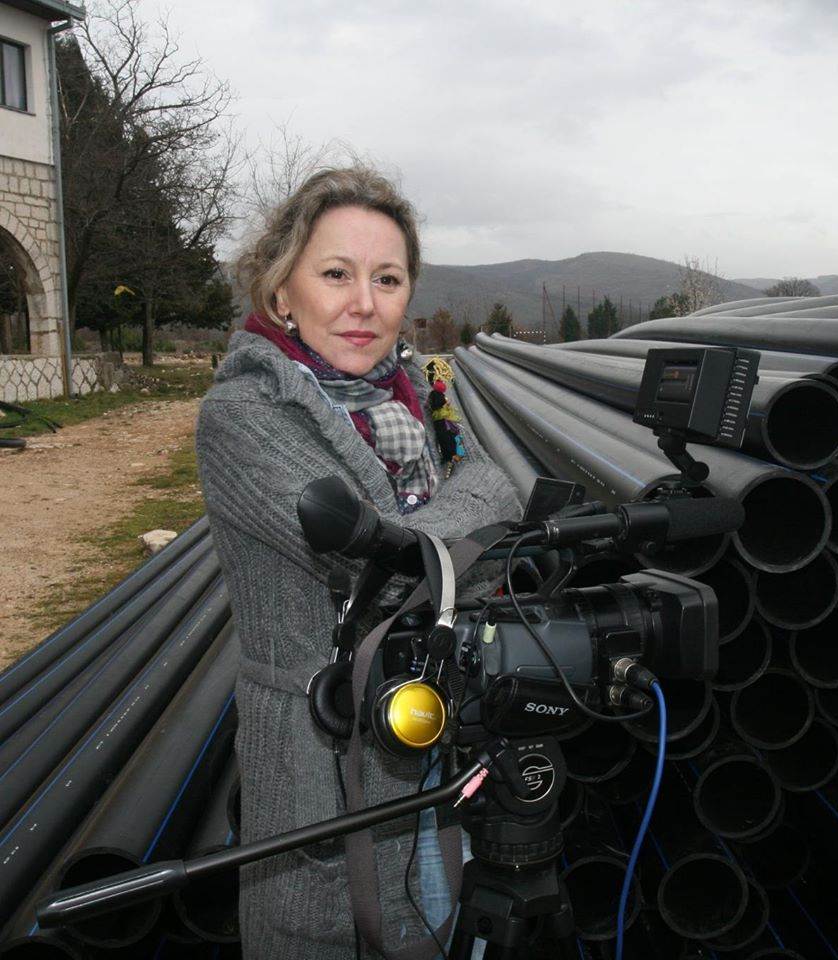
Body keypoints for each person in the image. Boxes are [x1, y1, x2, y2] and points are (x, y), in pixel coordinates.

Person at [196, 164, 521, 960]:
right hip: (320, 754)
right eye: (336, 274)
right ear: (282, 290)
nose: (364, 303)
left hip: (431, 741)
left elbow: (490, 505)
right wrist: (475, 514)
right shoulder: (242, 414)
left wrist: (460, 524)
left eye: (388, 278)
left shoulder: (421, 396)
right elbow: (383, 567)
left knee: (441, 928)